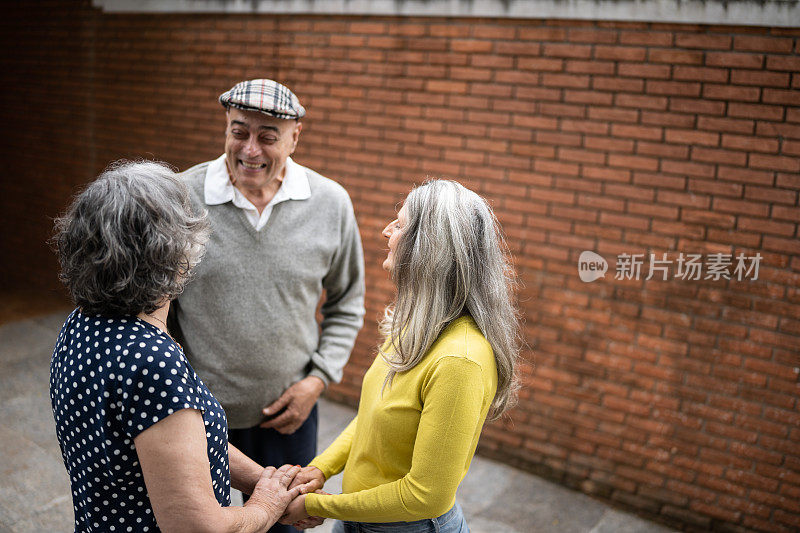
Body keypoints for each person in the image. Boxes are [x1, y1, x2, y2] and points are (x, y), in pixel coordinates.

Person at [50, 160, 312, 532]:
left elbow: (184, 444)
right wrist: (266, 506)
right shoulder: (152, 362)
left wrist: (265, 482)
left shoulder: (81, 324)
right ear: (176, 256)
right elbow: (197, 527)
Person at [168, 79, 365, 530]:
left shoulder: (331, 203)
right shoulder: (179, 197)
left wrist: (317, 380)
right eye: (239, 131)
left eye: (268, 136)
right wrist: (178, 390)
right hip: (197, 417)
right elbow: (157, 305)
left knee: (285, 527)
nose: (250, 150)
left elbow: (348, 302)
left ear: (296, 136)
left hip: (288, 418)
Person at [281, 180, 522, 532]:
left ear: (430, 246)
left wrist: (320, 505)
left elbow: (426, 496)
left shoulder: (461, 360)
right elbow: (374, 416)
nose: (386, 231)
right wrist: (319, 470)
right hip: (358, 519)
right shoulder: (420, 327)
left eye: (401, 224)